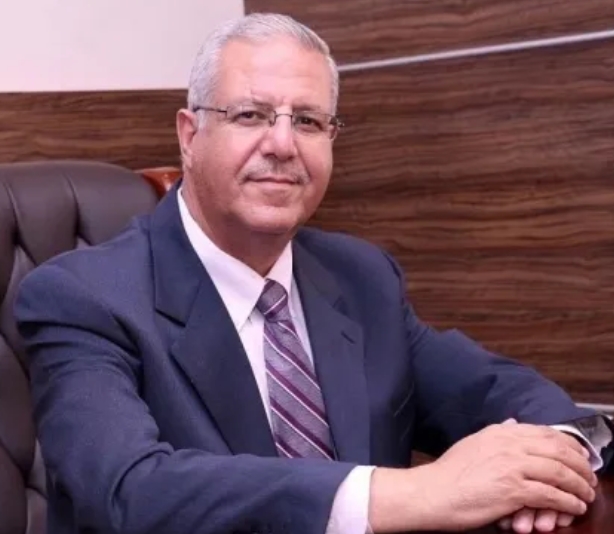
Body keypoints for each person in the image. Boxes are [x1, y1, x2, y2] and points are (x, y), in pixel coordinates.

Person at [15, 12, 612, 534]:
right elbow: (128, 491)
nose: (282, 144)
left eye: (307, 121)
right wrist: (413, 492)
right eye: (251, 114)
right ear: (190, 136)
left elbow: (498, 391)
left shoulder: (361, 277)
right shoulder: (82, 297)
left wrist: (553, 458)